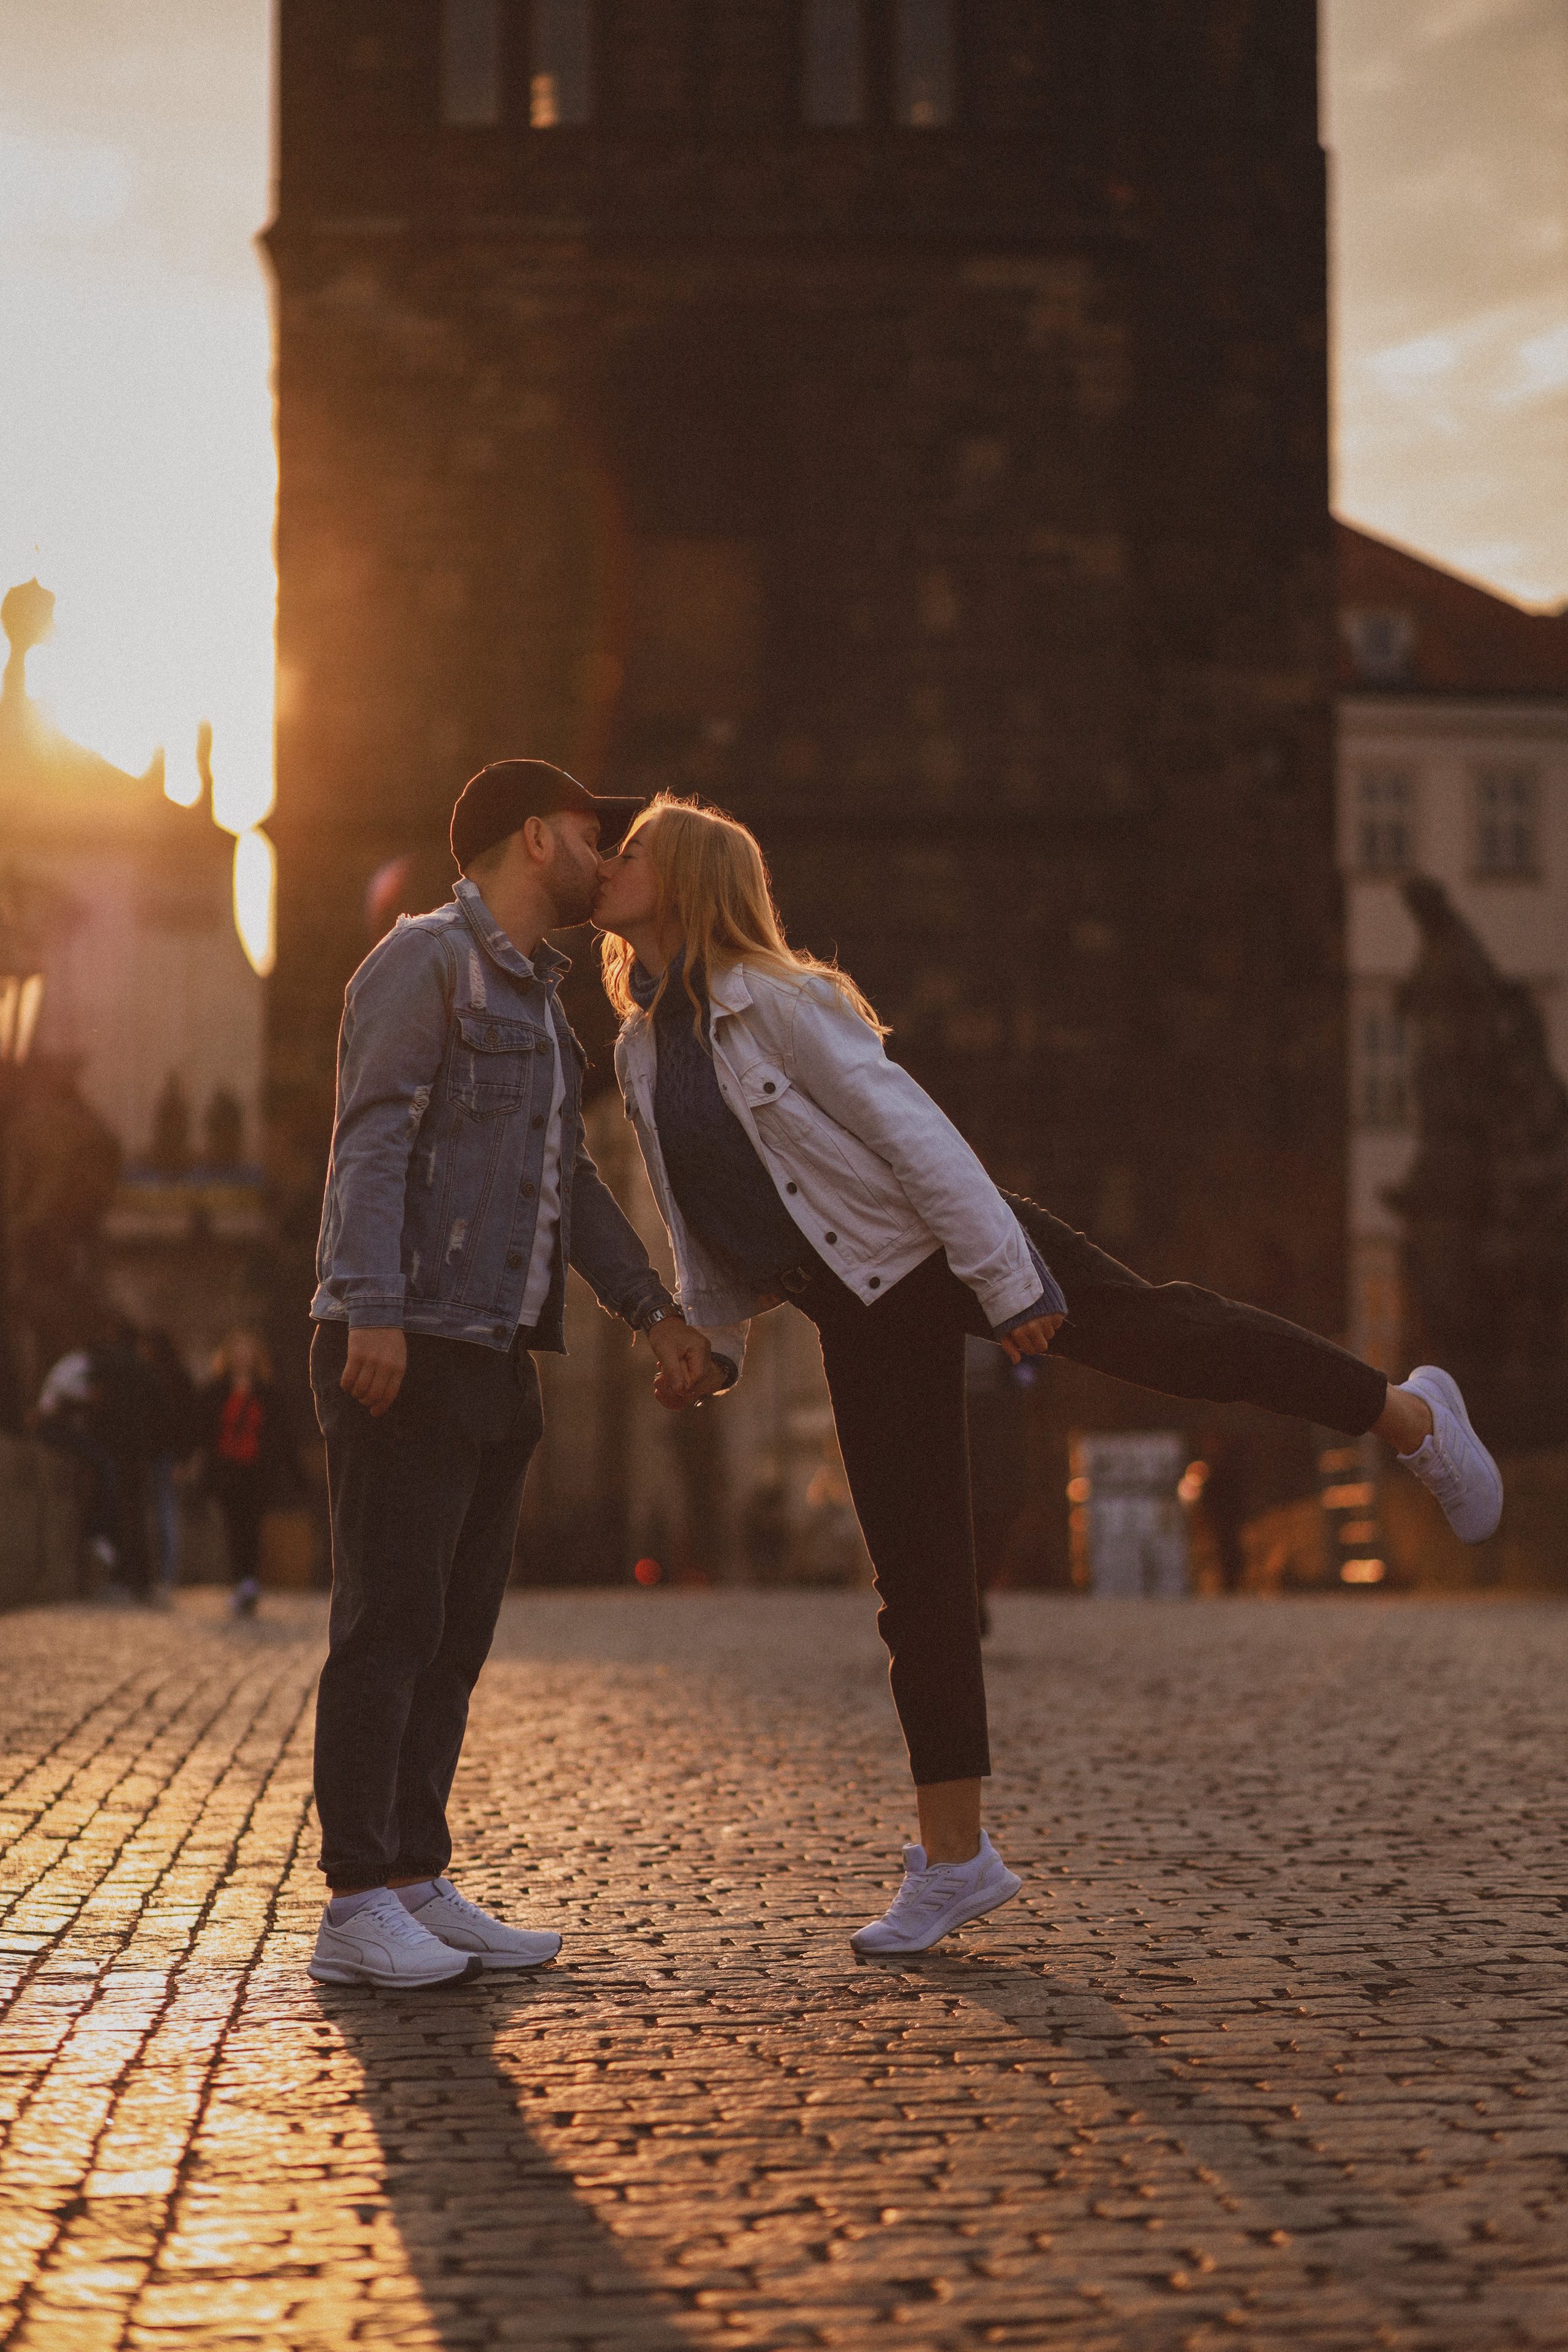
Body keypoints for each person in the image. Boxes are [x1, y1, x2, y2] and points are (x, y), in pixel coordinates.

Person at [592, 795, 1504, 1960]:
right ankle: (959, 1860)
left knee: (1171, 1339)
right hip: (858, 1303)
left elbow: (917, 1136)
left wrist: (1009, 1280)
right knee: (918, 1578)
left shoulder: (777, 1001)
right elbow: (702, 1218)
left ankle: (1413, 1417)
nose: (612, 865)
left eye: (633, 852)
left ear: (690, 880)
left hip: (946, 1246)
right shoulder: (638, 1046)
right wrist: (711, 1345)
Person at [307, 758, 714, 1992]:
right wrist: (373, 1308)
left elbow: (566, 1184)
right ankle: (354, 1900)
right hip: (407, 1337)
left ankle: (417, 1877)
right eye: (595, 837)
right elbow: (372, 1134)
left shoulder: (539, 999)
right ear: (538, 840)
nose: (608, 859)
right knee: (388, 1622)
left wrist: (650, 1309)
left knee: (454, 1633)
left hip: (495, 1352)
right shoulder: (421, 961)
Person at [194, 1330, 293, 1616]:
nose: (242, 1355)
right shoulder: (216, 1390)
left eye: (247, 1349)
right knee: (233, 1525)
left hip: (257, 1470)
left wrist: (291, 1471)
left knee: (253, 1525)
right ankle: (242, 1581)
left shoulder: (267, 1392)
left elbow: (282, 1434)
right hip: (227, 1470)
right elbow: (202, 1429)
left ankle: (249, 1582)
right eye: (237, 1349)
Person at [31, 1345, 118, 1581]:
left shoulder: (73, 1365)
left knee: (102, 1463)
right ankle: (98, 1532)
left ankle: (98, 1533)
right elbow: (60, 1404)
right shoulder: (81, 1370)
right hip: (53, 1428)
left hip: (54, 1425)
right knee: (105, 1464)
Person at [139, 1328, 197, 1594]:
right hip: (153, 1454)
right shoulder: (171, 1377)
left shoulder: (171, 1378)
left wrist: (182, 1458)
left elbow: (185, 1423)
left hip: (162, 1455)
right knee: (158, 1515)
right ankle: (158, 1575)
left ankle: (165, 1575)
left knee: (164, 1514)